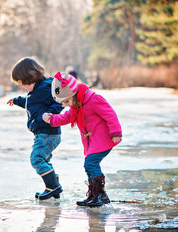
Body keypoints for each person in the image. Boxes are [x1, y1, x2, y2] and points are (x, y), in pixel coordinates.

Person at [42, 72, 122, 207]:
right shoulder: (76, 105)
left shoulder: (93, 99)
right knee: (89, 165)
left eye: (67, 101)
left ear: (73, 94)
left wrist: (115, 132)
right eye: (63, 102)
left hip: (104, 140)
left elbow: (110, 114)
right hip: (93, 142)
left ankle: (101, 195)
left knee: (90, 163)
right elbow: (66, 117)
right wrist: (51, 119)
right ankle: (94, 194)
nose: (66, 105)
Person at [7, 57, 64, 200]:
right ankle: (54, 186)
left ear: (30, 79)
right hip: (44, 134)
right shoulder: (37, 90)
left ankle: (53, 186)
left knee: (36, 159)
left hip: (48, 133)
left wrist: (50, 114)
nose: (22, 88)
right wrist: (16, 100)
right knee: (43, 159)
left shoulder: (45, 88)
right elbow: (30, 102)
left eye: (22, 85)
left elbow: (59, 102)